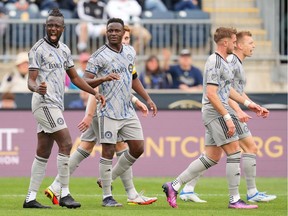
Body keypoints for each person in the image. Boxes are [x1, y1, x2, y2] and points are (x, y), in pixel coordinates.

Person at [162, 27, 263, 209]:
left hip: (217, 111)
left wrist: (249, 104)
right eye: (233, 41)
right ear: (225, 43)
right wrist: (227, 116)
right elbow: (211, 93)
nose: (235, 44)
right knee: (234, 152)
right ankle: (234, 200)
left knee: (212, 156)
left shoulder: (223, 62)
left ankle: (174, 185)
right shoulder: (215, 61)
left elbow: (228, 90)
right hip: (216, 111)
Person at [179, 31, 277, 203]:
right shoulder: (229, 61)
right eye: (250, 42)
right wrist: (236, 111)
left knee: (212, 155)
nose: (253, 45)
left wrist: (251, 104)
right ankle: (249, 193)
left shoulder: (235, 62)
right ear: (238, 44)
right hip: (224, 111)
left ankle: (186, 187)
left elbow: (234, 91)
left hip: (225, 111)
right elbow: (222, 91)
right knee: (248, 148)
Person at [23, 8, 105, 209]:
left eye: (56, 26)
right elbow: (30, 81)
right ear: (46, 26)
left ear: (63, 28)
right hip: (44, 103)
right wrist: (38, 89)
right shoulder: (37, 49)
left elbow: (76, 78)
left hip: (55, 104)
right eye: (50, 25)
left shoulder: (65, 50)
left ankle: (30, 198)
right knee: (67, 143)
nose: (53, 28)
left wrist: (94, 92)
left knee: (43, 151)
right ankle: (63, 194)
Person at [83, 17, 157, 207]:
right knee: (108, 151)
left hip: (127, 110)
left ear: (123, 33)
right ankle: (107, 196)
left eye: (117, 31)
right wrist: (103, 78)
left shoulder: (130, 51)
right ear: (106, 32)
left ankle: (109, 178)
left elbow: (134, 78)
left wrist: (147, 99)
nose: (113, 33)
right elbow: (84, 81)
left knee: (138, 148)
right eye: (110, 31)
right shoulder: (98, 56)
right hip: (108, 111)